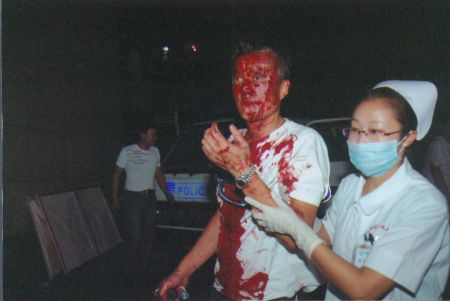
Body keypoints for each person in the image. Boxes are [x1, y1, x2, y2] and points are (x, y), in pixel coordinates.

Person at [246, 80, 450, 300]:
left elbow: (364, 290)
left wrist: (298, 230)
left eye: (374, 131)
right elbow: (321, 239)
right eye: (354, 129)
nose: (360, 140)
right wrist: (281, 207)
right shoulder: (350, 185)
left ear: (408, 138)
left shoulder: (424, 204)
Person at [157, 43, 330, 300]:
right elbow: (226, 214)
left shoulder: (302, 142)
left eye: (259, 77)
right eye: (239, 78)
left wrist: (242, 171)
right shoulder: (235, 142)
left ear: (284, 89)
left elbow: (297, 237)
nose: (246, 87)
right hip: (224, 288)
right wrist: (184, 269)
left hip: (274, 292)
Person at [112, 122, 175, 275]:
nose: (155, 137)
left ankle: (142, 266)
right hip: (132, 198)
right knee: (135, 235)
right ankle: (130, 268)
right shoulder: (127, 151)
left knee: (149, 233)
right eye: (152, 134)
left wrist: (167, 193)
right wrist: (114, 197)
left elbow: (158, 174)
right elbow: (117, 175)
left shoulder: (155, 152)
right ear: (142, 135)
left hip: (149, 197)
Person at [423, 115, 450, 201]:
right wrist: (446, 195)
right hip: (434, 194)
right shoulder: (438, 144)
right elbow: (436, 171)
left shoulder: (446, 144)